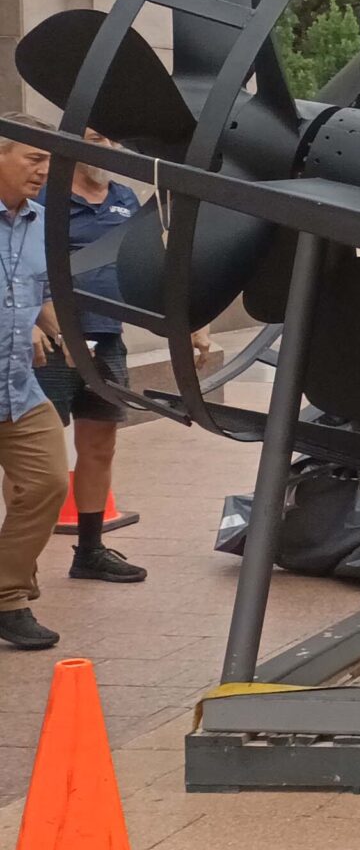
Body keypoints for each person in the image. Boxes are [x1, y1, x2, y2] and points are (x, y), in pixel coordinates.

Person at [35, 129, 213, 584]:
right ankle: (21, 562)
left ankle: (90, 551)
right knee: (38, 456)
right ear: (70, 143)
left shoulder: (124, 198)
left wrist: (187, 321)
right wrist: (42, 322)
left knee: (100, 443)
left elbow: (150, 263)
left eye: (110, 140)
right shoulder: (45, 198)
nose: (105, 148)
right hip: (51, 343)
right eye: (93, 138)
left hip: (106, 339)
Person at [0, 115, 69, 650]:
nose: (43, 170)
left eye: (47, 160)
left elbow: (41, 293)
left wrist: (60, 332)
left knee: (48, 482)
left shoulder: (43, 223)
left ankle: (5, 595)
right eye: (34, 158)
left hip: (20, 389)